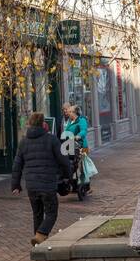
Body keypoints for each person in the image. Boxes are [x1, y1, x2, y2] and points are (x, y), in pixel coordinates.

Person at [12, 112, 70, 245]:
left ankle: (38, 243)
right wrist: (67, 175)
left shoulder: (23, 142)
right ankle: (40, 235)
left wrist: (15, 185)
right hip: (47, 184)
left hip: (31, 186)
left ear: (30, 124)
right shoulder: (52, 139)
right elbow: (64, 160)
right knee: (51, 213)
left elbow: (17, 165)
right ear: (43, 123)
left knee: (37, 214)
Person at [61, 103, 92, 198]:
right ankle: (75, 184)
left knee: (83, 167)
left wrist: (78, 136)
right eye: (68, 111)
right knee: (73, 164)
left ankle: (86, 186)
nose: (68, 113)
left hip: (83, 146)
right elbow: (66, 132)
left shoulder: (81, 120)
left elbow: (83, 130)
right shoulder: (70, 121)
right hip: (71, 146)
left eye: (70, 111)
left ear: (75, 112)